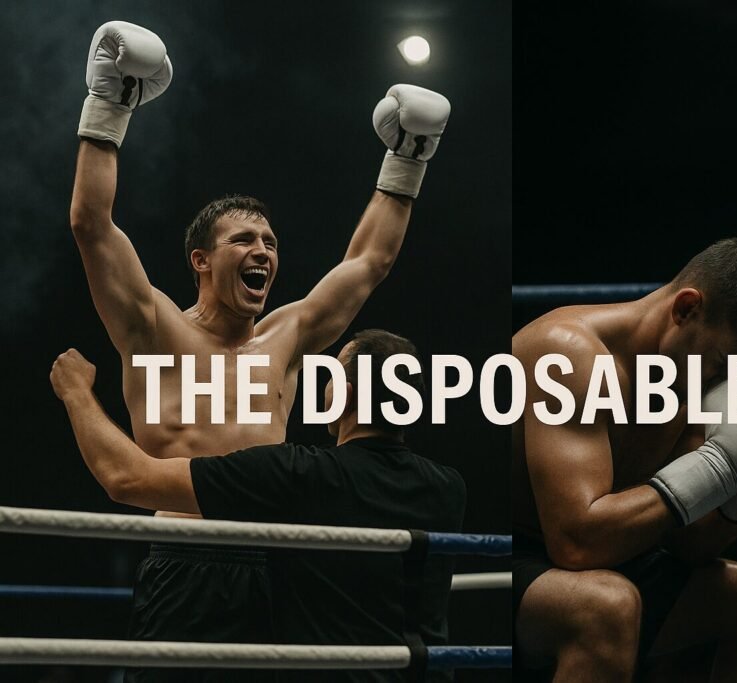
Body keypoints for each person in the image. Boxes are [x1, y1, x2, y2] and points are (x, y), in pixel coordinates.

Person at [69, 20, 451, 682]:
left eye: (271, 243)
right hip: (188, 559)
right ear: (200, 260)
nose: (264, 252)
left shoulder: (287, 337)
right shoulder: (153, 327)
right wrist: (110, 102)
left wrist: (409, 157)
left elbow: (369, 261)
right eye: (244, 239)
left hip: (282, 561)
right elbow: (91, 225)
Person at [50, 330, 466, 683]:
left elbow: (128, 478)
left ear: (343, 394)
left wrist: (77, 393)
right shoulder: (449, 489)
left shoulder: (299, 474)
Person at [512, 238, 737, 682]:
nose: (723, 381)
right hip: (509, 558)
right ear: (686, 309)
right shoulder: (570, 355)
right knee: (608, 606)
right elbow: (576, 542)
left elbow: (690, 545)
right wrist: (719, 468)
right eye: (723, 362)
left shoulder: (693, 383)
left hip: (602, 560)